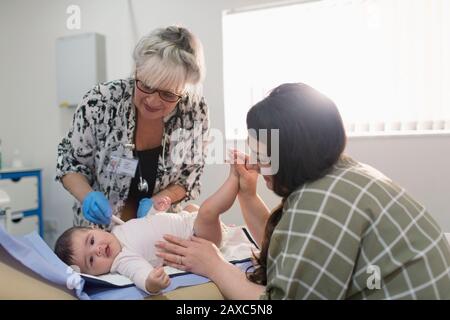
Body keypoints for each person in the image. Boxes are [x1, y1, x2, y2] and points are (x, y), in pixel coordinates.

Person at [155, 83, 450, 299]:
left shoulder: (322, 203)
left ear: (292, 153)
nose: (255, 163)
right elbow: (296, 248)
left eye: (263, 154)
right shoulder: (342, 175)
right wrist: (247, 194)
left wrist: (215, 266)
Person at [56, 25, 209, 228]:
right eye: (146, 85)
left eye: (168, 94)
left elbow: (189, 177)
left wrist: (161, 199)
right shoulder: (102, 101)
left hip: (157, 232)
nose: (153, 101)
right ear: (136, 70)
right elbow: (69, 162)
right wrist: (88, 197)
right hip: (98, 236)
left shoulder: (193, 111)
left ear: (184, 89)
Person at [54, 161, 239, 295]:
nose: (98, 249)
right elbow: (140, 274)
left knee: (193, 208)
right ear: (96, 275)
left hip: (186, 220)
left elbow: (148, 226)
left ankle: (223, 226)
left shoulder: (118, 230)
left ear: (95, 229)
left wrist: (155, 210)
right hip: (199, 238)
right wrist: (151, 283)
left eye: (92, 241)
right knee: (208, 211)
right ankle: (236, 179)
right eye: (92, 260)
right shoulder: (123, 260)